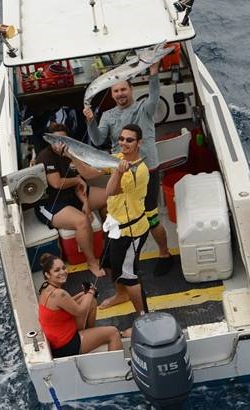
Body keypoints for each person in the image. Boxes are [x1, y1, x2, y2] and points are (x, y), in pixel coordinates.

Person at [83, 62, 173, 276]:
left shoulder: (145, 108)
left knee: (150, 218)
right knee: (118, 214)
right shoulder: (108, 116)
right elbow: (97, 139)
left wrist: (153, 73)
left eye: (124, 89)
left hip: (146, 172)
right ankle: (122, 258)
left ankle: (164, 254)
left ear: (131, 90)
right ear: (111, 94)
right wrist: (91, 121)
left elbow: (154, 94)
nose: (120, 93)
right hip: (120, 172)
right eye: (116, 90)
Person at [33, 123, 106, 277]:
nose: (61, 143)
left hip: (75, 195)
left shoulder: (73, 153)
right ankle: (92, 261)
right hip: (52, 203)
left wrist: (86, 203)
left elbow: (85, 176)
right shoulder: (45, 156)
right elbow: (57, 183)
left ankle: (108, 241)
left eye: (64, 139)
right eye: (57, 140)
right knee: (82, 222)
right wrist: (78, 181)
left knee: (109, 196)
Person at [101, 124, 150, 313]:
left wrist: (118, 171)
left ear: (139, 143)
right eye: (121, 139)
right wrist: (72, 155)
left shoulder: (139, 171)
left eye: (129, 140)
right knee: (108, 265)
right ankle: (120, 295)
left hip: (131, 232)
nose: (124, 143)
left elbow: (110, 191)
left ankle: (143, 316)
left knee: (129, 275)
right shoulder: (118, 158)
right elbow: (90, 172)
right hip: (114, 225)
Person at [37, 253, 122, 358]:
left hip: (56, 340)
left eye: (64, 268)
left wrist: (84, 294)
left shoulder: (45, 288)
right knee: (113, 332)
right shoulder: (60, 294)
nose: (63, 272)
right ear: (47, 275)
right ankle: (115, 368)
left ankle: (92, 334)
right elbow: (81, 311)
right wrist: (91, 292)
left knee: (90, 301)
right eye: (57, 270)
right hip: (65, 345)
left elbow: (66, 304)